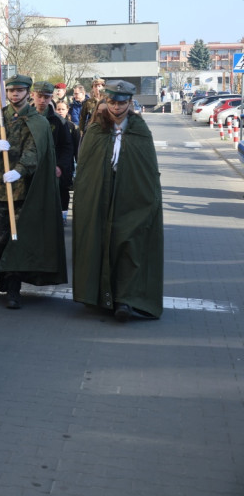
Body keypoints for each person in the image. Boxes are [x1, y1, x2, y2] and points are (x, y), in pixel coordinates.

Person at [0, 74, 66, 310]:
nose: (15, 95)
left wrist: (20, 170)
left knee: (17, 241)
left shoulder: (36, 121)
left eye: (19, 91)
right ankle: (1, 273)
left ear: (27, 93)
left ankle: (13, 288)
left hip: (24, 193)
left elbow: (35, 151)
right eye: (11, 91)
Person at [73, 80, 163, 321]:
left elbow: (147, 169)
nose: (116, 107)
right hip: (100, 194)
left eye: (121, 102)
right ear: (106, 101)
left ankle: (125, 299)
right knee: (100, 241)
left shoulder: (139, 130)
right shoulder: (96, 129)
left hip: (130, 196)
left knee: (128, 243)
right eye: (112, 102)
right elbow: (86, 168)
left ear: (130, 103)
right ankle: (98, 295)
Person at [30, 81, 74, 223]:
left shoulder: (59, 121)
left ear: (51, 98)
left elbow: (66, 147)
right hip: (28, 169)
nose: (42, 100)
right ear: (33, 95)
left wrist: (60, 166)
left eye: (46, 97)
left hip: (51, 169)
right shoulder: (25, 118)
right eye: (39, 96)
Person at [54, 100, 79, 220]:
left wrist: (77, 162)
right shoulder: (51, 124)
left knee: (64, 190)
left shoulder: (72, 127)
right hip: (54, 162)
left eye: (63, 109)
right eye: (58, 109)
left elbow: (75, 148)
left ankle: (63, 214)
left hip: (67, 165)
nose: (60, 111)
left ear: (67, 110)